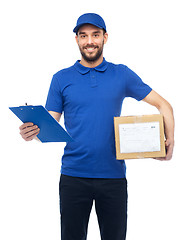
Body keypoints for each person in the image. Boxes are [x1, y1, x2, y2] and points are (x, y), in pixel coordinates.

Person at [19, 13, 175, 240]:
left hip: (113, 178)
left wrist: (169, 141)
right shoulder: (61, 78)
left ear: (105, 38)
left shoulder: (121, 74)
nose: (89, 41)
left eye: (95, 35)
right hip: (73, 177)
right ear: (77, 40)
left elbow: (164, 105)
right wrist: (31, 132)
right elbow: (49, 125)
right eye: (83, 36)